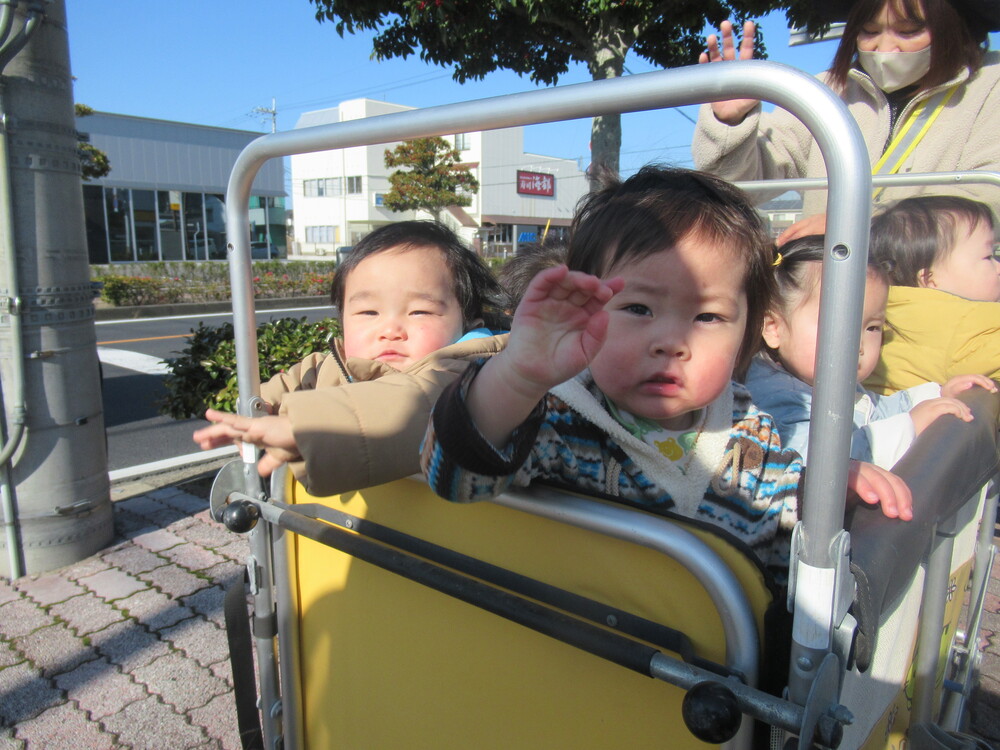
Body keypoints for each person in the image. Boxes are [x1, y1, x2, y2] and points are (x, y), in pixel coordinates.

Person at [421, 166, 912, 580]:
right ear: (586, 307)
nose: (672, 343)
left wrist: (823, 494)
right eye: (637, 308)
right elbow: (456, 478)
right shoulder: (559, 416)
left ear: (749, 334)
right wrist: (518, 377)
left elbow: (780, 539)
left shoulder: (747, 430)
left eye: (707, 317)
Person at [193, 220, 508, 496]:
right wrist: (255, 416)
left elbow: (421, 406)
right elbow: (276, 392)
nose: (390, 330)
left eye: (419, 311)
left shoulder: (469, 372)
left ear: (469, 324)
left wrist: (306, 429)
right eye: (369, 312)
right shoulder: (328, 364)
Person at [693, 0, 1000, 245]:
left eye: (908, 32)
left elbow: (987, 203)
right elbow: (736, 189)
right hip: (821, 300)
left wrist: (859, 226)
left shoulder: (992, 83)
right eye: (869, 31)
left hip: (936, 306)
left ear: (955, 26)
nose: (885, 49)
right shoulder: (823, 91)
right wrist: (730, 123)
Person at [744, 235, 995, 469]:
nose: (858, 344)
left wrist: (938, 394)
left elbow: (879, 409)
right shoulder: (778, 399)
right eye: (836, 325)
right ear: (774, 328)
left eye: (872, 327)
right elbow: (818, 467)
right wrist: (909, 427)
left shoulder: (828, 384)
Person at [865, 194, 1000, 394]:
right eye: (988, 257)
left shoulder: (877, 310)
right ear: (929, 279)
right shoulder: (967, 321)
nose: (998, 266)